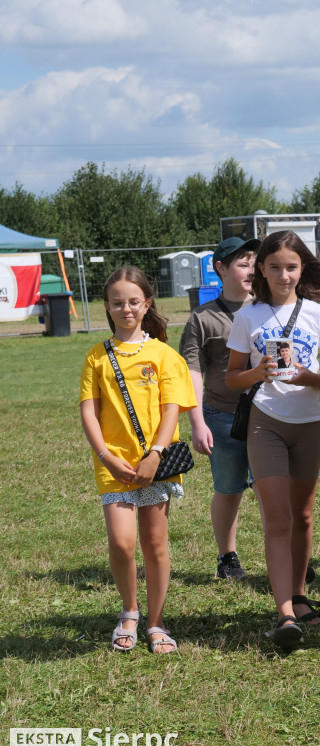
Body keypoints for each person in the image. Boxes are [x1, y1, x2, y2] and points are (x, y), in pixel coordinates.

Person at [225, 230, 320, 650]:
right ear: (261, 270)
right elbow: (232, 377)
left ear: (301, 268)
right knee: (278, 518)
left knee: (303, 515)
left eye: (291, 267)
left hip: (310, 421)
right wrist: (259, 373)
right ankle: (285, 611)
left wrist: (306, 377)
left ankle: (300, 595)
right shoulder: (247, 317)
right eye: (274, 267)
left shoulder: (318, 314)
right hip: (265, 422)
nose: (283, 275)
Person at [80, 266, 197, 654]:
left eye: (133, 301)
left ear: (147, 304)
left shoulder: (164, 355)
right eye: (117, 302)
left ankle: (156, 622)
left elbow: (170, 411)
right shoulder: (96, 357)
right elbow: (88, 412)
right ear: (107, 307)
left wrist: (155, 455)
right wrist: (106, 456)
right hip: (115, 468)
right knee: (122, 542)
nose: (126, 308)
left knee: (155, 544)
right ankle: (129, 611)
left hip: (156, 467)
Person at [179, 237, 258, 581]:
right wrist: (197, 422)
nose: (251, 270)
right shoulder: (203, 318)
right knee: (229, 489)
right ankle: (227, 557)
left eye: (255, 263)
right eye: (242, 264)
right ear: (221, 269)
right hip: (222, 417)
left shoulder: (269, 309)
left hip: (269, 417)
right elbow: (192, 372)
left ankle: (288, 553)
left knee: (276, 490)